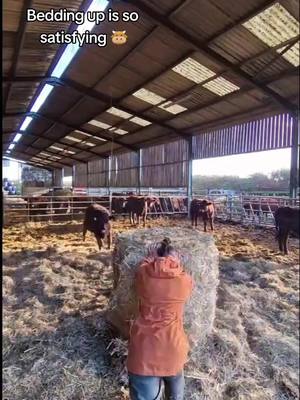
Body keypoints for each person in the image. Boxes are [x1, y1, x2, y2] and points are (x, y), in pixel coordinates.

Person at [127, 238, 193, 400]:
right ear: (176, 259)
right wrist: (174, 263)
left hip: (144, 353)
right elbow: (184, 276)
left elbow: (144, 265)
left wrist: (150, 258)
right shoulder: (184, 281)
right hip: (173, 350)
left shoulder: (143, 274)